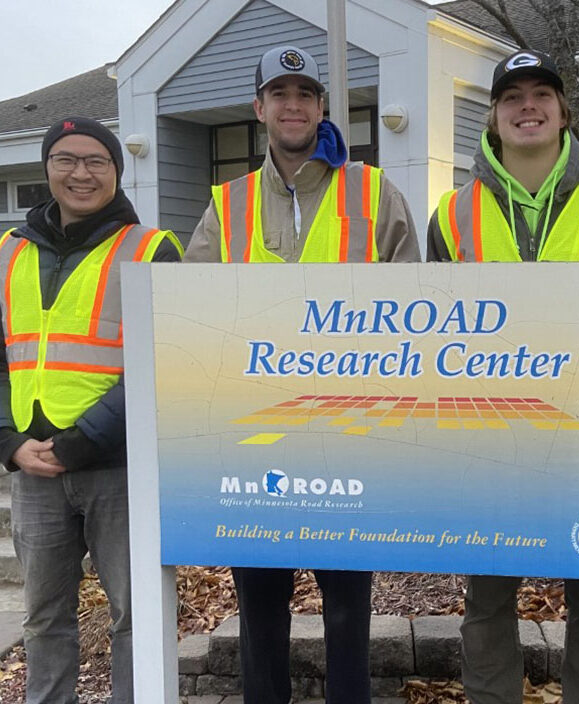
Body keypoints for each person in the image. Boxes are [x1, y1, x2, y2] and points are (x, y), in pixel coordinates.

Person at [182, 45, 419, 704]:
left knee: (348, 604)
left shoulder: (374, 193)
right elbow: (193, 323)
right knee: (260, 607)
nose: (293, 106)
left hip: (349, 435)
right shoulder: (224, 208)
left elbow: (416, 309)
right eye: (279, 94)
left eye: (306, 95)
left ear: (321, 108)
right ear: (259, 109)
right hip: (255, 443)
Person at [427, 49, 579, 704]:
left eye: (541, 94)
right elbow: (435, 335)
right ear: (493, 118)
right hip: (489, 440)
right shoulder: (451, 215)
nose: (527, 106)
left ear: (561, 112)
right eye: (511, 96)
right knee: (487, 603)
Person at [0, 116, 184, 704]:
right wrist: (5, 441)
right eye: (66, 159)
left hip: (118, 465)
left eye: (97, 161)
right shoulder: (11, 251)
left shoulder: (151, 249)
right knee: (44, 620)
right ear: (47, 168)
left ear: (116, 170)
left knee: (135, 616)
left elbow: (159, 357)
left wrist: (82, 441)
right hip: (32, 467)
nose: (81, 173)